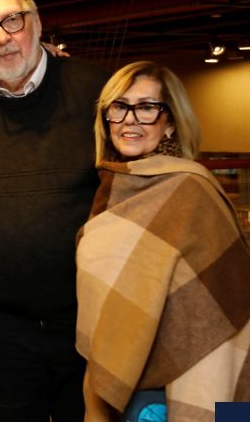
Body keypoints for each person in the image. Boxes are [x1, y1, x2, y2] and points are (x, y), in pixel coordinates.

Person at [0, 0, 112, 422]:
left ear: (36, 21)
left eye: (12, 20)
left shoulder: (95, 90)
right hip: (0, 330)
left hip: (88, 320)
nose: (2, 38)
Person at [76, 61, 250, 421]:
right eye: (119, 107)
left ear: (169, 122)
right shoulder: (111, 190)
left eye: (146, 107)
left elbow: (230, 299)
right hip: (127, 381)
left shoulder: (192, 191)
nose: (130, 120)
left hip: (187, 372)